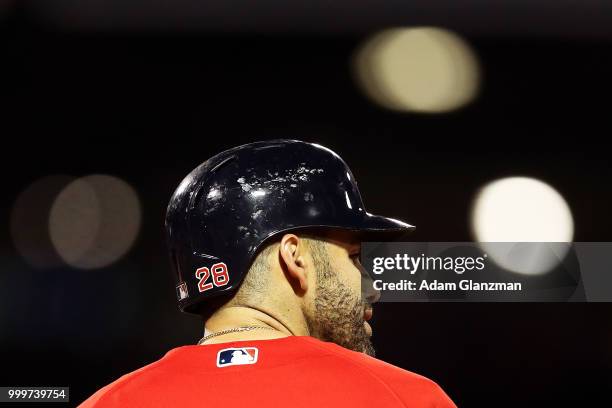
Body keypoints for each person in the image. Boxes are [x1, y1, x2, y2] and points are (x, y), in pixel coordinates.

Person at [80, 139, 456, 407]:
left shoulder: (106, 402)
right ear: (295, 257)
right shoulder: (404, 398)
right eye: (354, 257)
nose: (371, 288)